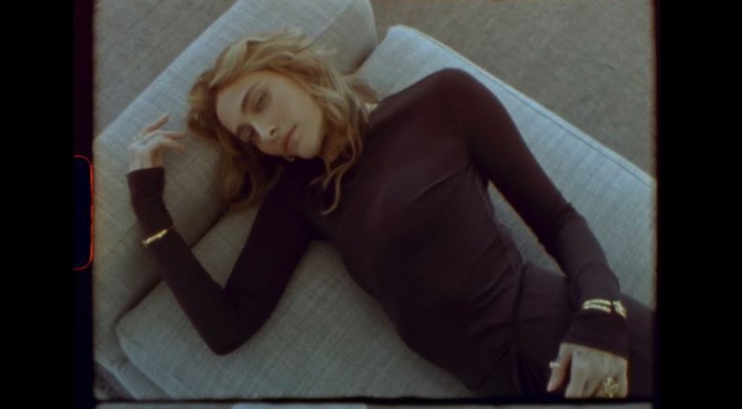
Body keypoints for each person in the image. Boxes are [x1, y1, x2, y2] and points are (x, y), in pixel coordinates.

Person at [126, 30, 654, 398]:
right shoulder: (298, 196)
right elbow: (227, 326)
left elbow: (559, 219)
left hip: (567, 329)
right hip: (505, 386)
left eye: (260, 101)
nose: (264, 132)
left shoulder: (443, 100)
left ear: (295, 70)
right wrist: (149, 207)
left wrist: (600, 315)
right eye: (248, 134)